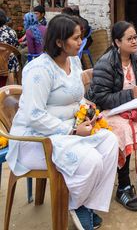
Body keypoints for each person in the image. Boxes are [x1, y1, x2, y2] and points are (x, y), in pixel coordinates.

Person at [6, 14, 118, 230]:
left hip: (69, 131)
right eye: (76, 38)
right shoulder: (39, 70)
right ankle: (76, 204)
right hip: (37, 139)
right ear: (59, 42)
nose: (80, 42)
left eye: (81, 37)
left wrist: (88, 108)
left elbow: (77, 97)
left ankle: (86, 203)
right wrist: (73, 130)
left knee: (110, 141)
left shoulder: (73, 61)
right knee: (92, 160)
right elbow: (34, 115)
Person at [87, 21, 137, 211]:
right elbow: (101, 98)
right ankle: (123, 187)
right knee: (122, 132)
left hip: (132, 107)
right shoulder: (105, 64)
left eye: (135, 37)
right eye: (129, 39)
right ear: (117, 42)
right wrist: (130, 95)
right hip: (109, 111)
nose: (134, 42)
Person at [0, 8, 19, 86]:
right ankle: (11, 88)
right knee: (10, 56)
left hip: (1, 63)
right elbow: (16, 46)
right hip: (9, 62)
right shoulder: (12, 31)